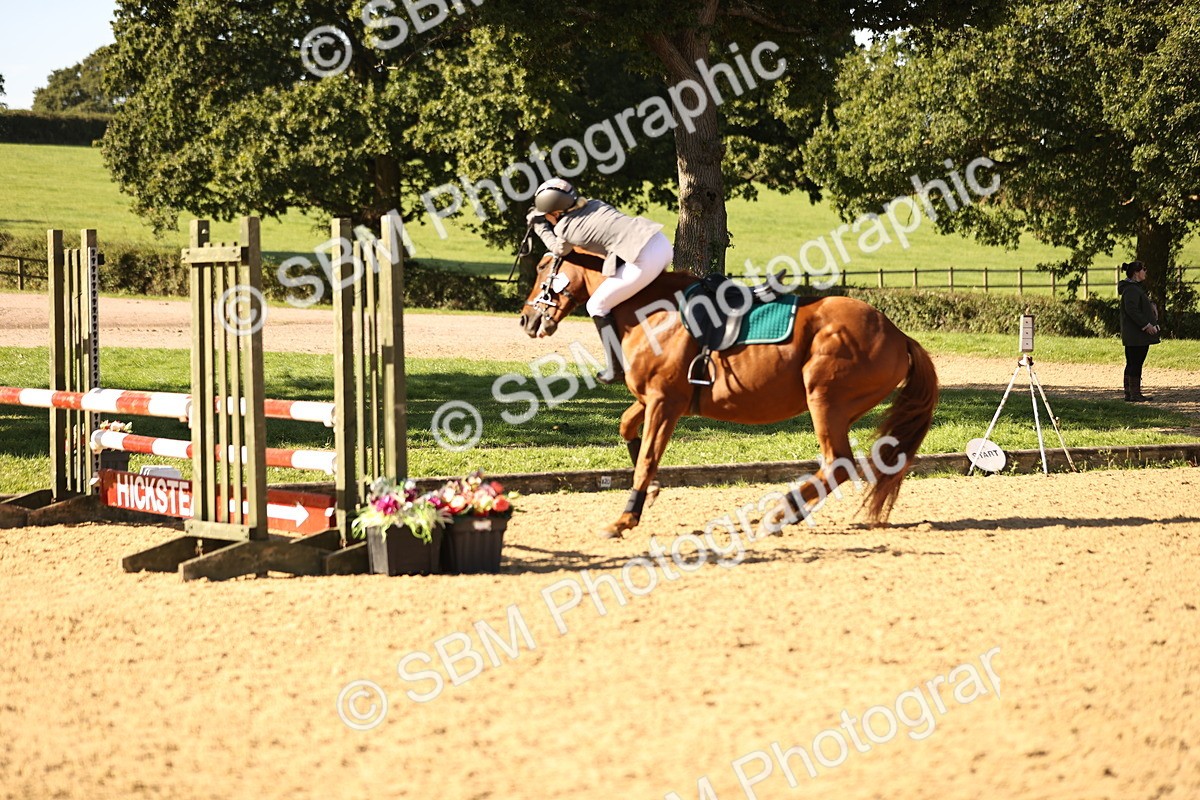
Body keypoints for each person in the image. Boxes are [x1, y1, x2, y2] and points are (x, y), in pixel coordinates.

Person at [527, 177, 674, 384]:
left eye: (547, 216)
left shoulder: (564, 229)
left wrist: (540, 227)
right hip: (661, 243)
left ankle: (616, 369)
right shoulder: (595, 203)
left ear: (555, 213)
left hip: (645, 256)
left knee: (596, 304)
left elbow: (560, 249)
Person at [1117, 260, 1160, 402]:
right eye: (1144, 269)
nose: (1145, 272)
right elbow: (1132, 310)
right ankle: (1134, 394)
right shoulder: (1132, 289)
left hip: (1134, 334)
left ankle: (1130, 393)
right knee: (1135, 362)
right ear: (1136, 272)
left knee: (1132, 362)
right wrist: (1146, 325)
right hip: (1136, 335)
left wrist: (1150, 305)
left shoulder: (1133, 288)